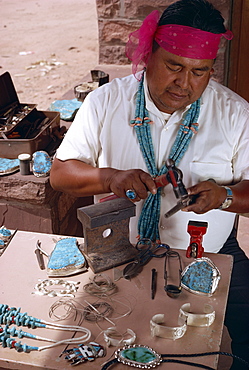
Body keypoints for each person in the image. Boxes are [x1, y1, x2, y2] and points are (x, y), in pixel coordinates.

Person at [50, 0, 249, 368]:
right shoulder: (105, 102)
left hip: (209, 254)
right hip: (118, 254)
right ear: (149, 54)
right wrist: (109, 176)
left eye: (199, 72)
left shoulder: (235, 114)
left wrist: (224, 197)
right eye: (174, 66)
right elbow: (60, 173)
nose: (184, 83)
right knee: (106, 338)